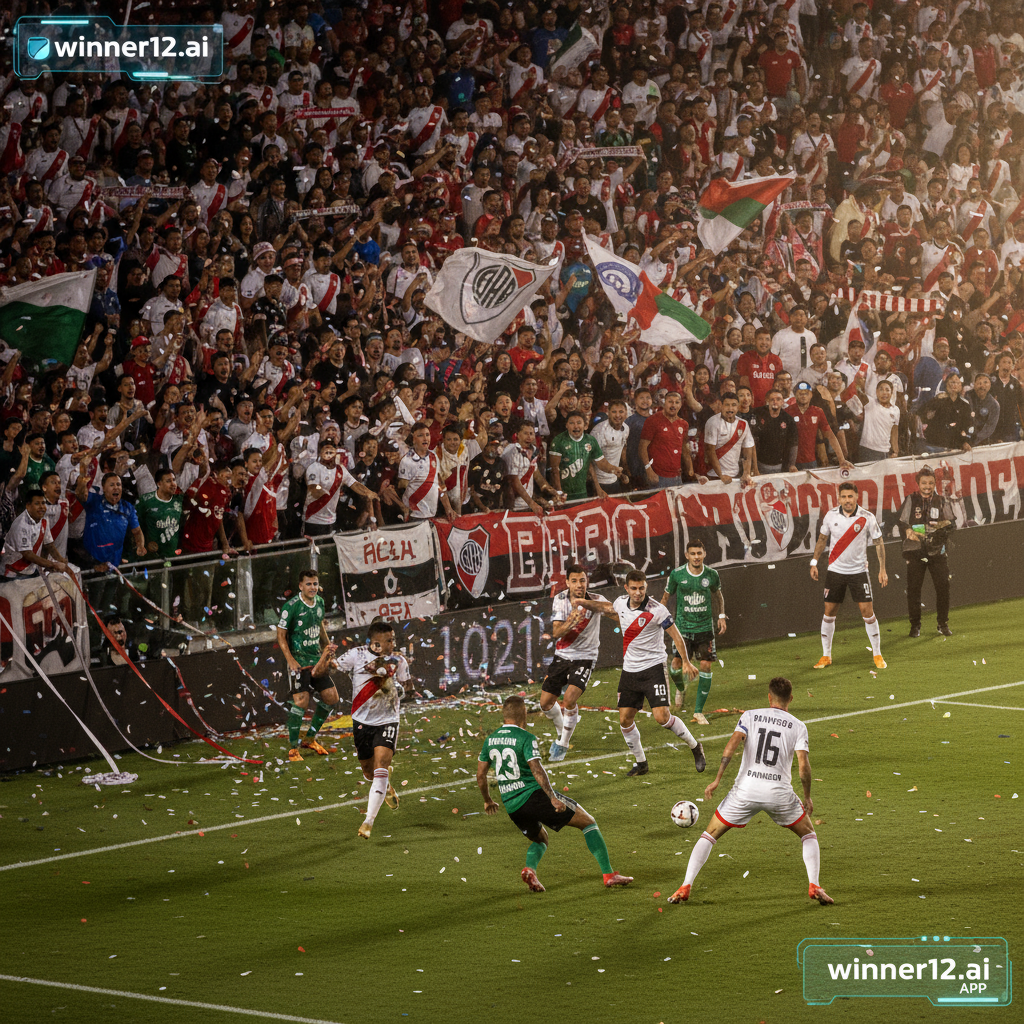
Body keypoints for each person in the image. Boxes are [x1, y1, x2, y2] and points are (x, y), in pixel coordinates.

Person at [667, 676, 834, 906]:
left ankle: (685, 885)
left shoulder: (750, 716)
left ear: (769, 697)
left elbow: (731, 746)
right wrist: (806, 796)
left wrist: (717, 780)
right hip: (779, 794)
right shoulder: (798, 726)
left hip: (745, 791)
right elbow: (804, 767)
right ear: (791, 699)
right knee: (808, 834)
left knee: (709, 834)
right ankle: (814, 884)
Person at [477, 694, 633, 892]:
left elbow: (480, 775)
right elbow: (536, 769)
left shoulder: (490, 740)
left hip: (512, 805)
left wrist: (488, 800)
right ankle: (609, 875)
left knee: (540, 839)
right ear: (523, 713)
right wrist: (552, 798)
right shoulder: (525, 738)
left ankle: (530, 869)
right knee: (588, 822)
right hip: (533, 797)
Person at [573, 570, 704, 777]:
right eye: (633, 588)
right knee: (625, 719)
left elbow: (676, 636)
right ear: (626, 588)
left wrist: (686, 661)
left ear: (646, 586)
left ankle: (695, 746)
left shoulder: (657, 610)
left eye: (641, 588)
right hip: (630, 671)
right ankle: (641, 763)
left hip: (653, 668)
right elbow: (605, 607)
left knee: (662, 718)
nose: (638, 592)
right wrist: (583, 602)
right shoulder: (620, 603)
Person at [332, 619, 409, 839]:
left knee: (382, 765)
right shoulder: (356, 655)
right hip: (361, 721)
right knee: (368, 771)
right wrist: (327, 656)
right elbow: (334, 667)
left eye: (393, 639)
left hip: (388, 720)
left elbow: (407, 685)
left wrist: (399, 688)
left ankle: (368, 822)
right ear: (375, 642)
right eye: (388, 641)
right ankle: (386, 786)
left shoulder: (398, 660)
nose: (392, 644)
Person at [809, 481, 888, 669]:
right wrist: (814, 562)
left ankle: (877, 654)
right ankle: (826, 656)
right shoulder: (830, 516)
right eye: (843, 497)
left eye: (850, 496)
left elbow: (879, 543)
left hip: (859, 572)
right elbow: (822, 539)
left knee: (867, 613)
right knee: (829, 613)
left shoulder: (867, 517)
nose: (847, 500)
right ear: (839, 498)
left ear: (856, 497)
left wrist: (882, 569)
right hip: (835, 571)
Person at [541, 564, 602, 762]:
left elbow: (613, 611)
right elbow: (556, 633)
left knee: (569, 699)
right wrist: (571, 622)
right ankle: (563, 730)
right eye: (574, 581)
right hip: (563, 655)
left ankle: (563, 744)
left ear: (587, 581)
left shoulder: (595, 601)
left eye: (582, 580)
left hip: (585, 657)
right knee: (545, 704)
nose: (579, 585)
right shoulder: (560, 600)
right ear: (567, 583)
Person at [276, 569, 338, 762]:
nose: (313, 587)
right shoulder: (291, 606)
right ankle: (293, 748)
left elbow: (319, 626)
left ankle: (310, 739)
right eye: (309, 584)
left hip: (316, 659)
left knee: (331, 697)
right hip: (299, 661)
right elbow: (280, 636)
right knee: (301, 702)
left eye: (315, 584)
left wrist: (328, 650)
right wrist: (290, 660)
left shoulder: (319, 602)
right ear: (300, 586)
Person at [663, 539, 726, 725]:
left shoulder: (712, 575)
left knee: (706, 666)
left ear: (704, 554)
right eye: (693, 553)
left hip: (705, 628)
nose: (696, 557)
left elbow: (718, 595)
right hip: (682, 629)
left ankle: (698, 712)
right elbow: (667, 596)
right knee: (675, 666)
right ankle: (681, 688)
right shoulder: (677, 574)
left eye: (699, 553)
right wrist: (658, 616)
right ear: (687, 555)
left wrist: (721, 615)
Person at [898, 466, 956, 637]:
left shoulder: (941, 500)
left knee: (943, 587)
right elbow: (901, 521)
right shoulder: (910, 499)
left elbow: (952, 522)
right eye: (924, 483)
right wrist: (908, 531)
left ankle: (942, 624)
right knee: (914, 589)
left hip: (937, 550)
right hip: (915, 551)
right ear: (918, 483)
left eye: (930, 483)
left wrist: (939, 526)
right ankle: (915, 625)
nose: (927, 486)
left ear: (934, 483)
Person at [0, 488, 69, 580]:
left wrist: (61, 560)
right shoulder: (21, 525)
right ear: (28, 506)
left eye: (43, 503)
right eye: (37, 504)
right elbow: (28, 554)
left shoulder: (43, 520)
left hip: (31, 571)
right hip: (13, 573)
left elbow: (49, 545)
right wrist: (53, 564)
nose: (41, 507)